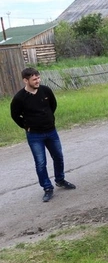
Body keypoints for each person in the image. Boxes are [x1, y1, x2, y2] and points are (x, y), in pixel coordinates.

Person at [10, 67, 77, 202]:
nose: (37, 81)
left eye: (38, 78)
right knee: (40, 163)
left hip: (51, 131)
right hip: (35, 135)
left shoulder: (45, 90)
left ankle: (60, 179)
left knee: (58, 156)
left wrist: (48, 119)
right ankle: (47, 187)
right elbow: (15, 115)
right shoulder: (19, 98)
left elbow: (53, 105)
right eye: (34, 79)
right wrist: (26, 126)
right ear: (25, 80)